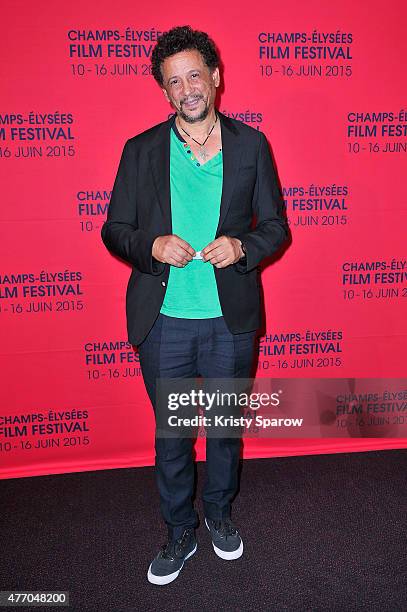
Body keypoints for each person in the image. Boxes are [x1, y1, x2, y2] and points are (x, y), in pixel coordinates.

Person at [101, 25, 288, 585]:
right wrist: (151, 245)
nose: (187, 89)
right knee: (174, 435)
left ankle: (220, 516)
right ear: (164, 91)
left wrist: (242, 246)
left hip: (229, 322)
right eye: (174, 81)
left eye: (194, 76)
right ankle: (180, 528)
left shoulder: (252, 145)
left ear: (215, 78)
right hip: (165, 324)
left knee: (225, 430)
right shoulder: (140, 151)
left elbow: (276, 227)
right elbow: (114, 230)